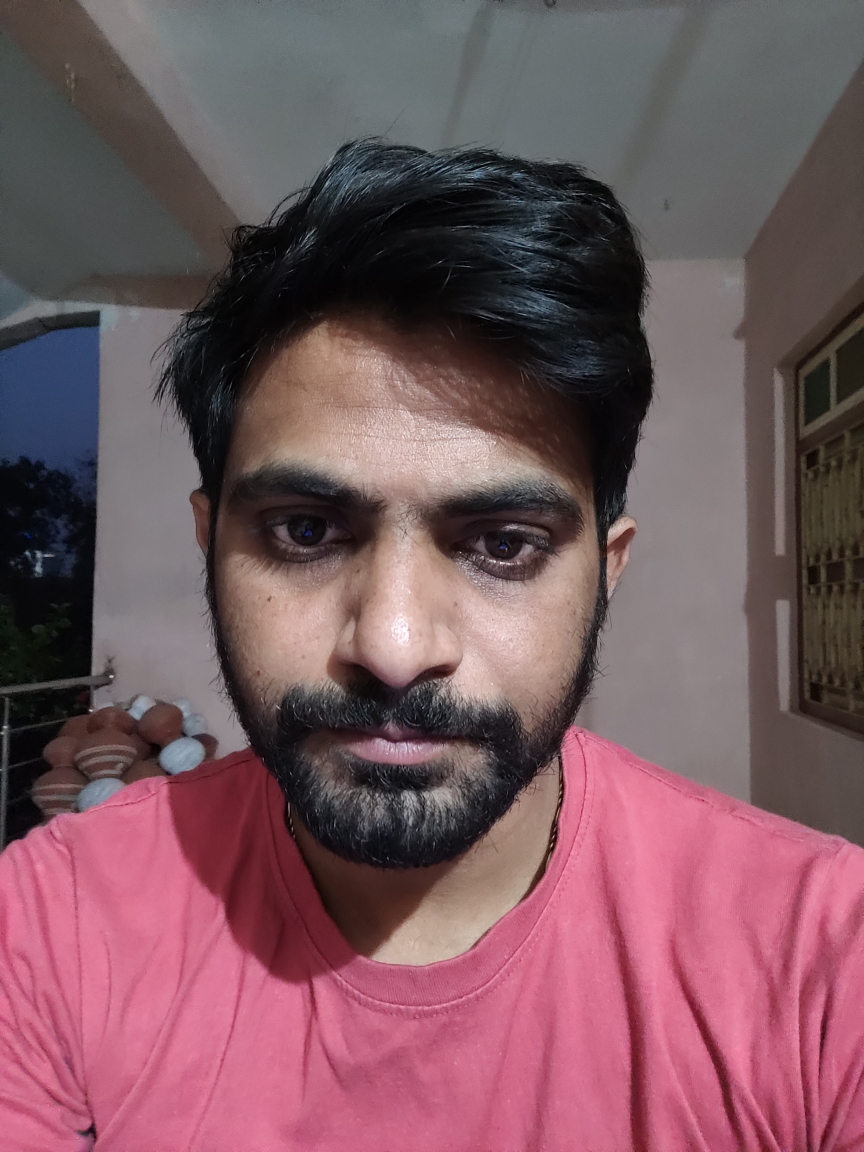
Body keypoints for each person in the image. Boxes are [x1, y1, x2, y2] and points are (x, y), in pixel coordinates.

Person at [1, 140, 862, 1152]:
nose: (396, 648)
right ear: (211, 542)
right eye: (306, 531)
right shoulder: (52, 920)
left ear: (606, 572)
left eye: (503, 544)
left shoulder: (823, 962)